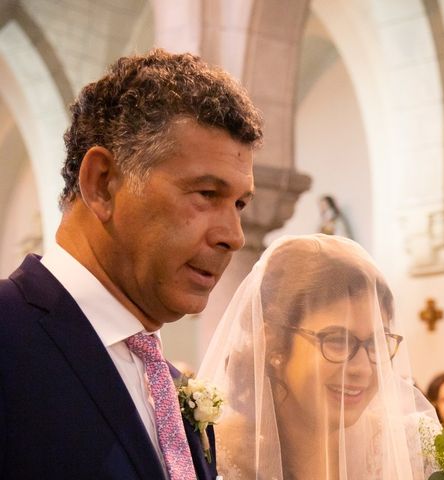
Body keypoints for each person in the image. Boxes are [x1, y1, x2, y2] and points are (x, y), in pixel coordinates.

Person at [0, 49, 263, 479]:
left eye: (239, 204)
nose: (233, 235)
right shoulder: (8, 335)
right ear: (102, 183)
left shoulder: (166, 383)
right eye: (206, 194)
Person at [198, 234, 441, 479]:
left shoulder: (414, 447)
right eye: (337, 341)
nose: (363, 369)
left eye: (376, 343)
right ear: (273, 343)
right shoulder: (214, 455)